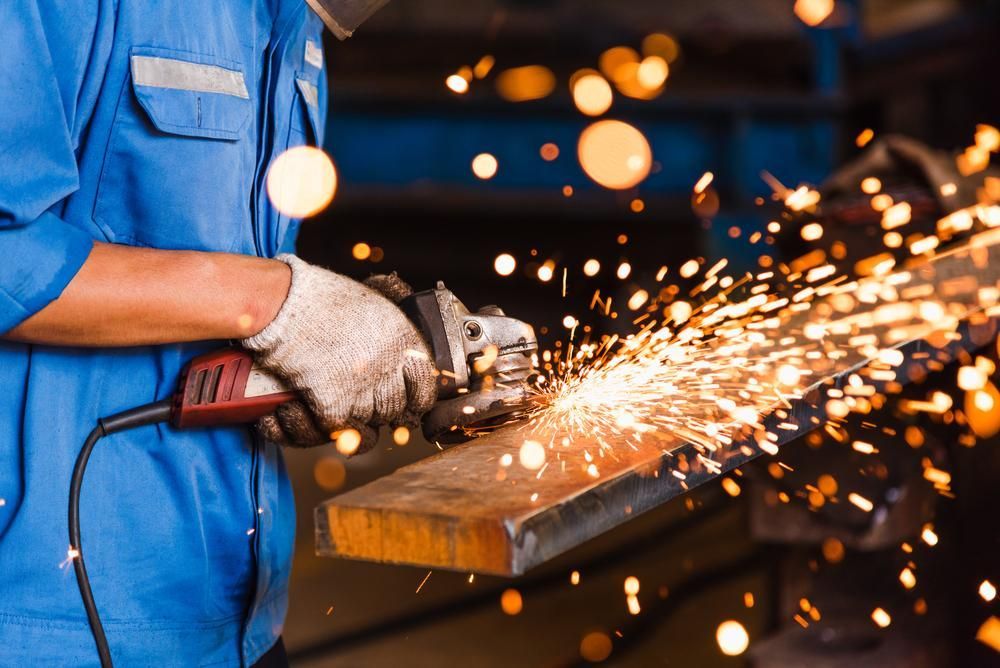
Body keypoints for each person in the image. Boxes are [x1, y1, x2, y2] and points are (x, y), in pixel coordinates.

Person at [0, 1, 429, 665]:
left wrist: (309, 351)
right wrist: (273, 301)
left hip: (237, 615)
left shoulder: (296, 19)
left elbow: (215, 268)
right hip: (54, 621)